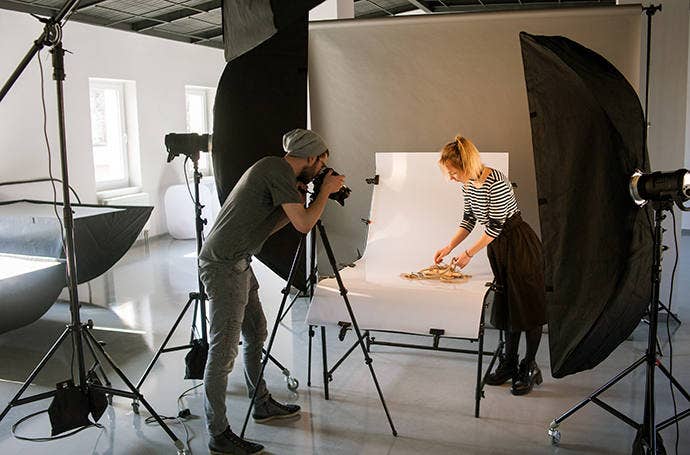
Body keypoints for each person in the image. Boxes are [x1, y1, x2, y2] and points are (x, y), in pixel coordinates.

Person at [199, 128, 346, 455]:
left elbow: (277, 221)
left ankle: (261, 402)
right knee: (222, 351)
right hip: (223, 265)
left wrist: (301, 196)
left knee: (257, 331)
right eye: (321, 161)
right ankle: (218, 434)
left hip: (238, 261)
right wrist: (324, 192)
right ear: (310, 157)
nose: (322, 167)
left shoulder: (275, 172)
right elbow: (305, 225)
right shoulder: (275, 170)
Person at [433, 134, 547, 396]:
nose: (450, 178)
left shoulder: (495, 182)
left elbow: (495, 226)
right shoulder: (468, 184)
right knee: (508, 305)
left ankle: (529, 366)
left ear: (465, 165)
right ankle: (509, 363)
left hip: (519, 244)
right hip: (498, 248)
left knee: (527, 306)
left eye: (452, 172)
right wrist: (449, 247)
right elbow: (469, 219)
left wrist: (468, 254)